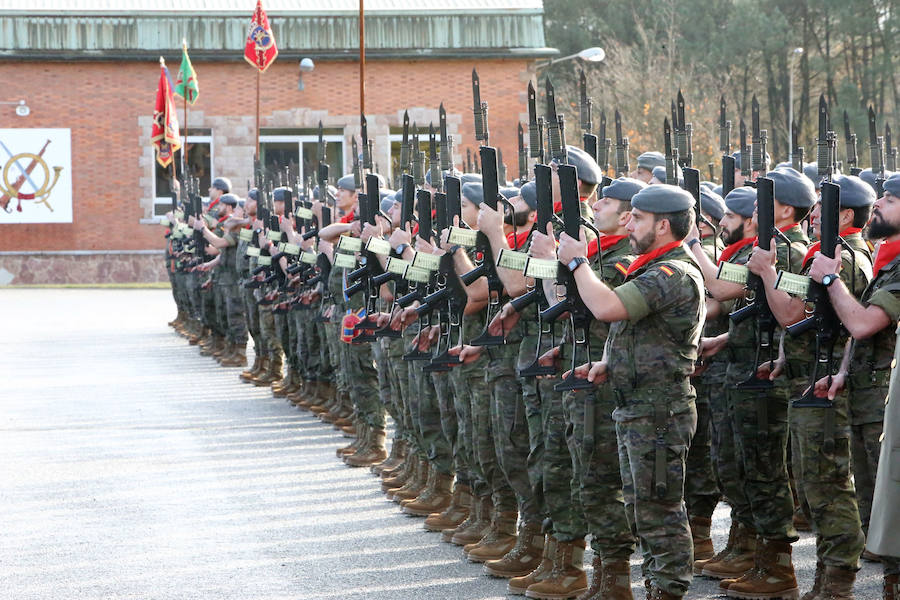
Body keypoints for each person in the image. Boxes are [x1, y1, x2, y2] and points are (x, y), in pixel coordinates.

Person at [547, 183, 705, 599]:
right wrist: (607, 364)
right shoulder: (652, 267)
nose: (630, 224)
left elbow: (607, 308)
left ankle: (666, 591)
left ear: (664, 225)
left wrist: (578, 260)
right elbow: (634, 333)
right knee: (642, 508)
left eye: (638, 218)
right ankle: (650, 586)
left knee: (660, 512)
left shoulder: (672, 273)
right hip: (638, 406)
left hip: (659, 413)